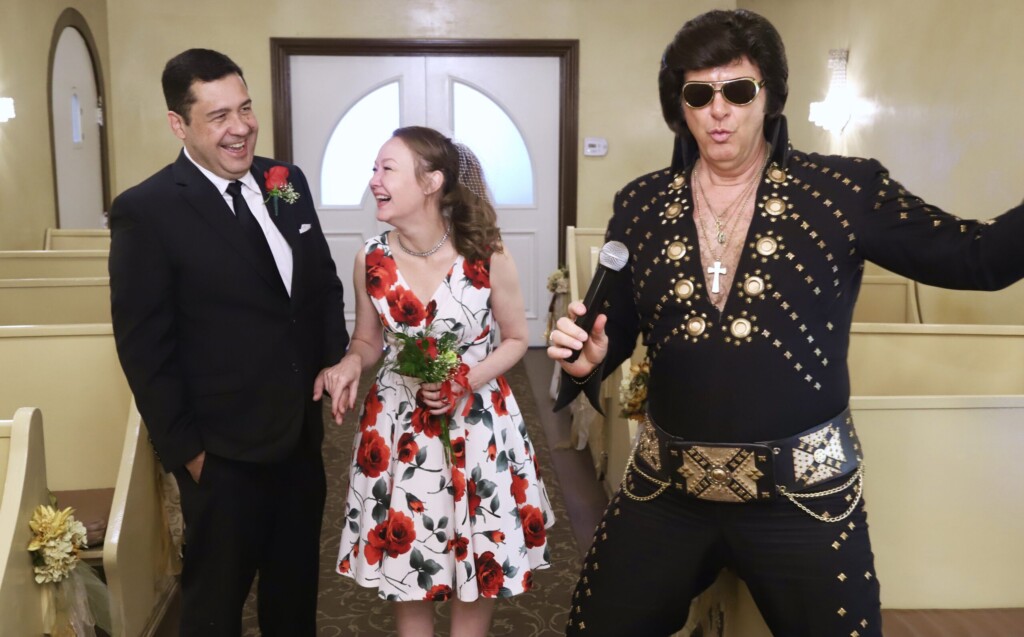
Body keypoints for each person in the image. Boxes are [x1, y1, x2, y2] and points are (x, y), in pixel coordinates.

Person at [547, 9, 1024, 637]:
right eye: (699, 93)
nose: (719, 110)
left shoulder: (844, 191)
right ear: (680, 107)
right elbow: (618, 333)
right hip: (666, 491)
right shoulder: (641, 204)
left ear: (768, 96)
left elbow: (979, 257)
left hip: (804, 500)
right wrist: (590, 361)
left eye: (738, 90)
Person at [108, 48, 349, 636]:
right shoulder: (147, 211)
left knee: (293, 605)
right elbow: (145, 349)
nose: (240, 127)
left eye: (245, 109)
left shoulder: (284, 181)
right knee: (214, 611)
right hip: (220, 458)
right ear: (179, 124)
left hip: (298, 439)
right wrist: (189, 455)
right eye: (218, 116)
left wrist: (334, 359)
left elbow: (319, 282)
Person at [318, 126, 554, 637]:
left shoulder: (487, 254)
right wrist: (348, 365)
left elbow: (516, 338)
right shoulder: (371, 259)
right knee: (409, 565)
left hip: (478, 427)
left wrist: (465, 379)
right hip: (398, 430)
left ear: (431, 182)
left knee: (478, 566)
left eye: (386, 169)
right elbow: (368, 341)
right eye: (374, 169)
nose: (373, 180)